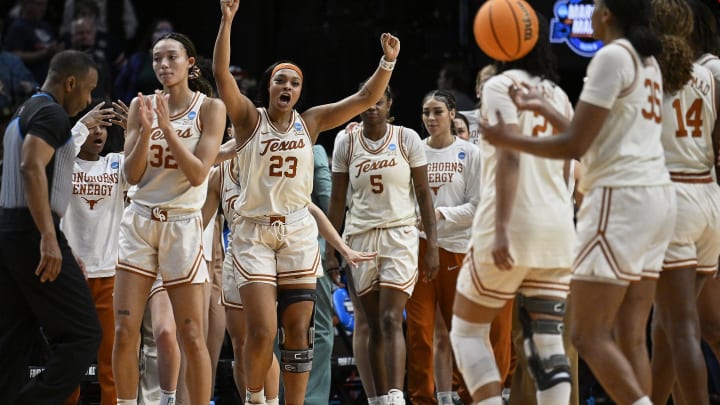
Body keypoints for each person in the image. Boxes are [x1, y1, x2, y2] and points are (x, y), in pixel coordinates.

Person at [479, 1, 676, 404]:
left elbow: (575, 146)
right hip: (657, 199)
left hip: (620, 198)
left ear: (606, 14)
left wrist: (508, 139)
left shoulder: (611, 57)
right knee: (631, 336)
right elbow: (595, 137)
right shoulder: (647, 61)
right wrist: (544, 108)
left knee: (585, 333)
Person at [213, 1, 396, 404]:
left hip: (297, 231)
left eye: (294, 83)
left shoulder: (309, 122)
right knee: (261, 331)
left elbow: (365, 98)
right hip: (254, 232)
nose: (287, 88)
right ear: (269, 87)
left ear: (300, 91)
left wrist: (387, 63)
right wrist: (227, 23)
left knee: (298, 331)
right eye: (281, 81)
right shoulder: (247, 119)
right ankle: (257, 398)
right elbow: (221, 76)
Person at [451, 14, 577, 405]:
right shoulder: (556, 95)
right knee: (548, 341)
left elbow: (508, 156)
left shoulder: (499, 85)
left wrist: (502, 228)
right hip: (557, 227)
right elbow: (571, 163)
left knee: (466, 332)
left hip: (511, 220)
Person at [112, 31, 226, 405]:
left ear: (191, 64)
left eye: (172, 57)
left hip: (182, 223)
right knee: (125, 329)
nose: (163, 64)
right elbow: (131, 174)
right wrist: (146, 130)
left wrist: (167, 130)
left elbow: (197, 174)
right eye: (157, 58)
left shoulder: (210, 109)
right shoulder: (140, 104)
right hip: (141, 221)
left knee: (191, 333)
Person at [0, 49, 104, 404]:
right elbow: (31, 166)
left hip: (11, 232)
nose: (88, 100)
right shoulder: (52, 113)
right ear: (70, 82)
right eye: (88, 90)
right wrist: (48, 237)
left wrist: (59, 241)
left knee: (14, 336)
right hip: (31, 232)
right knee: (84, 335)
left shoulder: (24, 109)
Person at [325, 81, 438, 405]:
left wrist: (431, 244)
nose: (372, 107)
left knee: (391, 318)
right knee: (373, 324)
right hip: (359, 237)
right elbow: (336, 200)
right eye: (368, 102)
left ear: (389, 106)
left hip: (399, 234)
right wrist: (331, 250)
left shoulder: (407, 138)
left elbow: (422, 193)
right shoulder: (346, 142)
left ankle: (396, 396)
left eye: (379, 102)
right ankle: (379, 400)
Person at [649, 1, 720, 404]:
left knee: (680, 329)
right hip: (709, 198)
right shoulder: (708, 75)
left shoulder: (645, 73)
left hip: (672, 200)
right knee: (667, 328)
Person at [405, 89, 481, 405]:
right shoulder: (413, 151)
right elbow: (405, 201)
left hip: (458, 248)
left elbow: (479, 206)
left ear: (452, 114)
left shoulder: (471, 153)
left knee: (459, 332)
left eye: (437, 111)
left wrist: (439, 214)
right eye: (426, 112)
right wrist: (417, 221)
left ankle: (466, 396)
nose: (431, 118)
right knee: (420, 332)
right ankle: (425, 398)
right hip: (420, 248)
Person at [60, 99, 128, 405]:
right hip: (71, 275)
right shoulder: (65, 164)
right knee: (70, 358)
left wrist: (136, 131)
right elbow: (56, 156)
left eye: (104, 126)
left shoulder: (114, 163)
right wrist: (79, 125)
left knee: (109, 360)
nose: (99, 132)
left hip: (108, 274)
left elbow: (147, 166)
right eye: (94, 125)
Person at [2, 0, 64, 83]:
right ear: (26, 4)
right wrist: (44, 53)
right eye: (38, 4)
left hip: (50, 81)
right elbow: (13, 55)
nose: (42, 8)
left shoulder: (45, 26)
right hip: (30, 82)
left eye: (44, 5)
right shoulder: (17, 27)